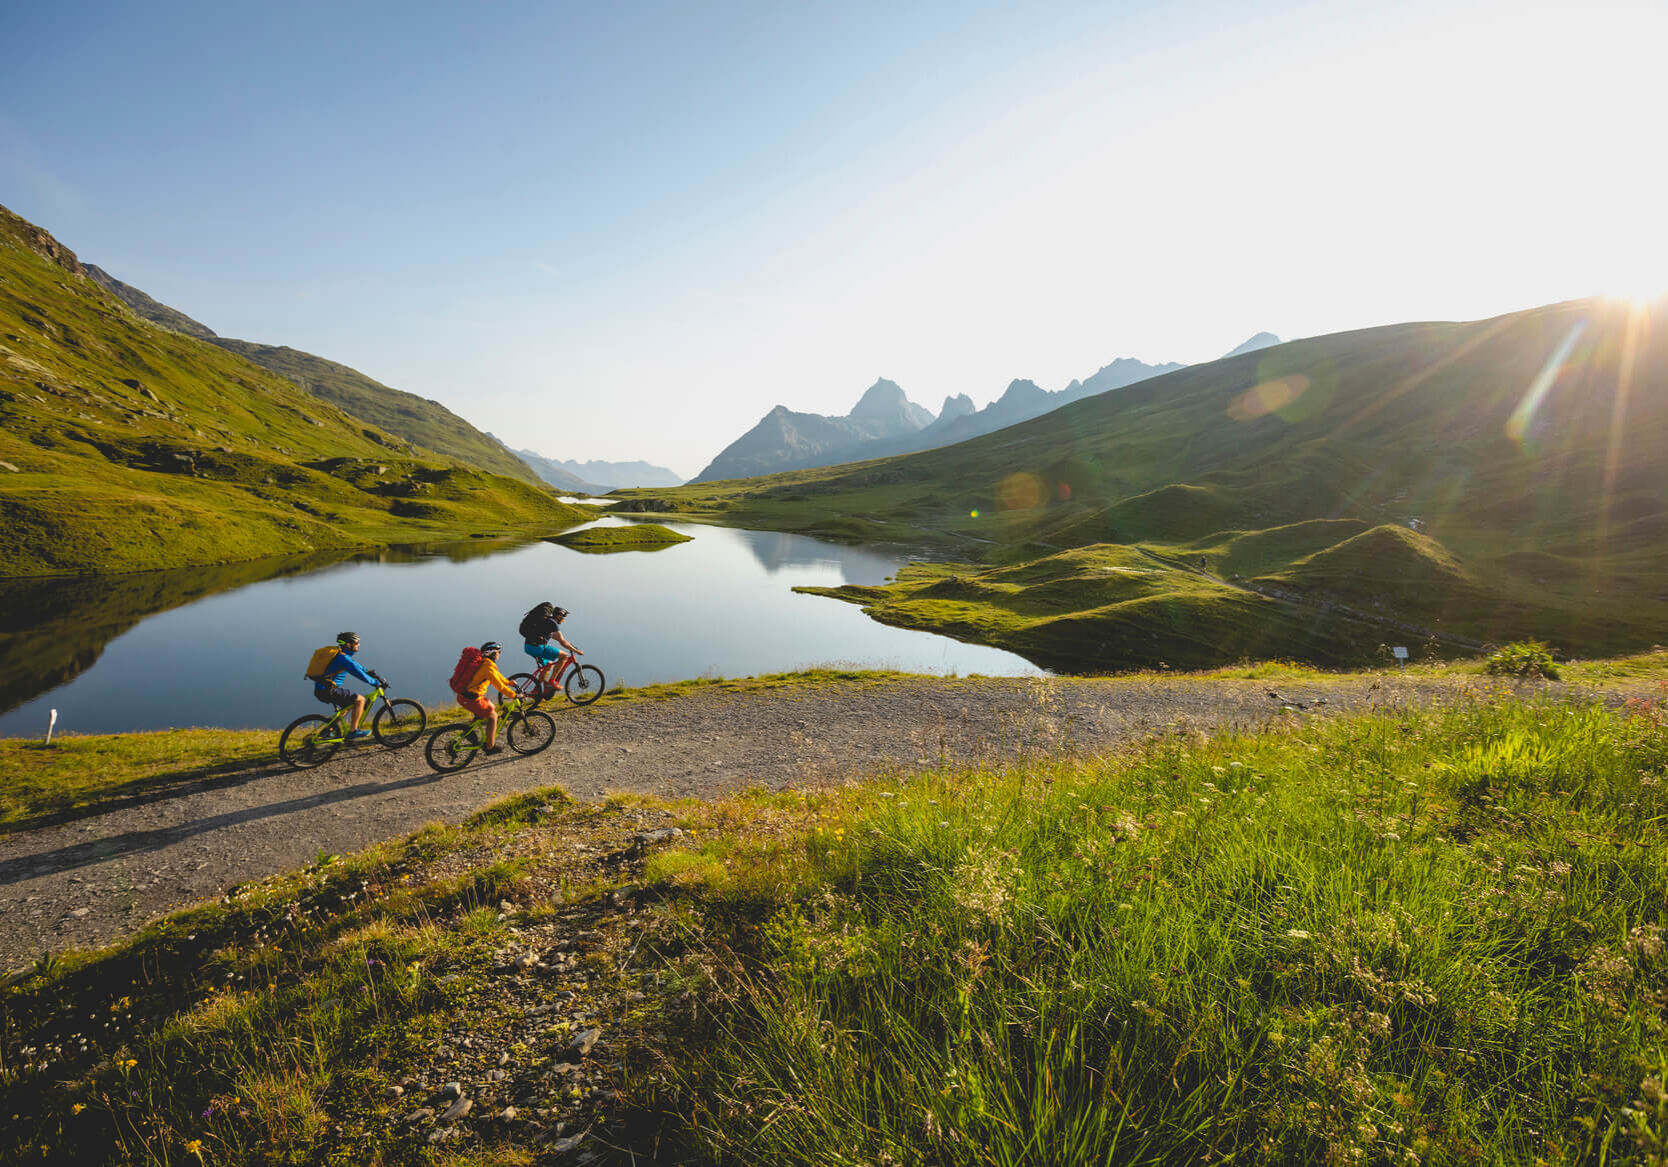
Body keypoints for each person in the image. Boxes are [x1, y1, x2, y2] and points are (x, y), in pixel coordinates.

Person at [312, 631, 382, 741]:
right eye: (356, 643)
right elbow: (357, 673)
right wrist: (375, 682)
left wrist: (369, 672)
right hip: (328, 690)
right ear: (349, 644)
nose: (359, 645)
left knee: (347, 706)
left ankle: (327, 731)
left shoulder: (341, 655)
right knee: (360, 700)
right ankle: (353, 731)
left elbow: (358, 667)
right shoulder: (343, 659)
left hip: (323, 690)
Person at [457, 640, 516, 755]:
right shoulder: (488, 668)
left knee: (490, 707)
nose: (499, 654)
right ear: (492, 653)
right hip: (471, 699)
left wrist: (509, 683)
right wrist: (515, 695)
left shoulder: (484, 663)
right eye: (498, 652)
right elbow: (500, 688)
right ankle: (490, 747)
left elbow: (498, 677)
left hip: (466, 696)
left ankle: (468, 731)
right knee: (493, 716)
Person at [522, 603, 583, 686]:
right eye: (563, 617)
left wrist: (570, 646)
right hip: (537, 648)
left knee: (549, 665)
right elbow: (563, 642)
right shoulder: (553, 623)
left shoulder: (547, 621)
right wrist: (577, 651)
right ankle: (552, 681)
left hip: (528, 647)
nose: (564, 620)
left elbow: (558, 638)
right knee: (564, 656)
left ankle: (537, 690)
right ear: (559, 616)